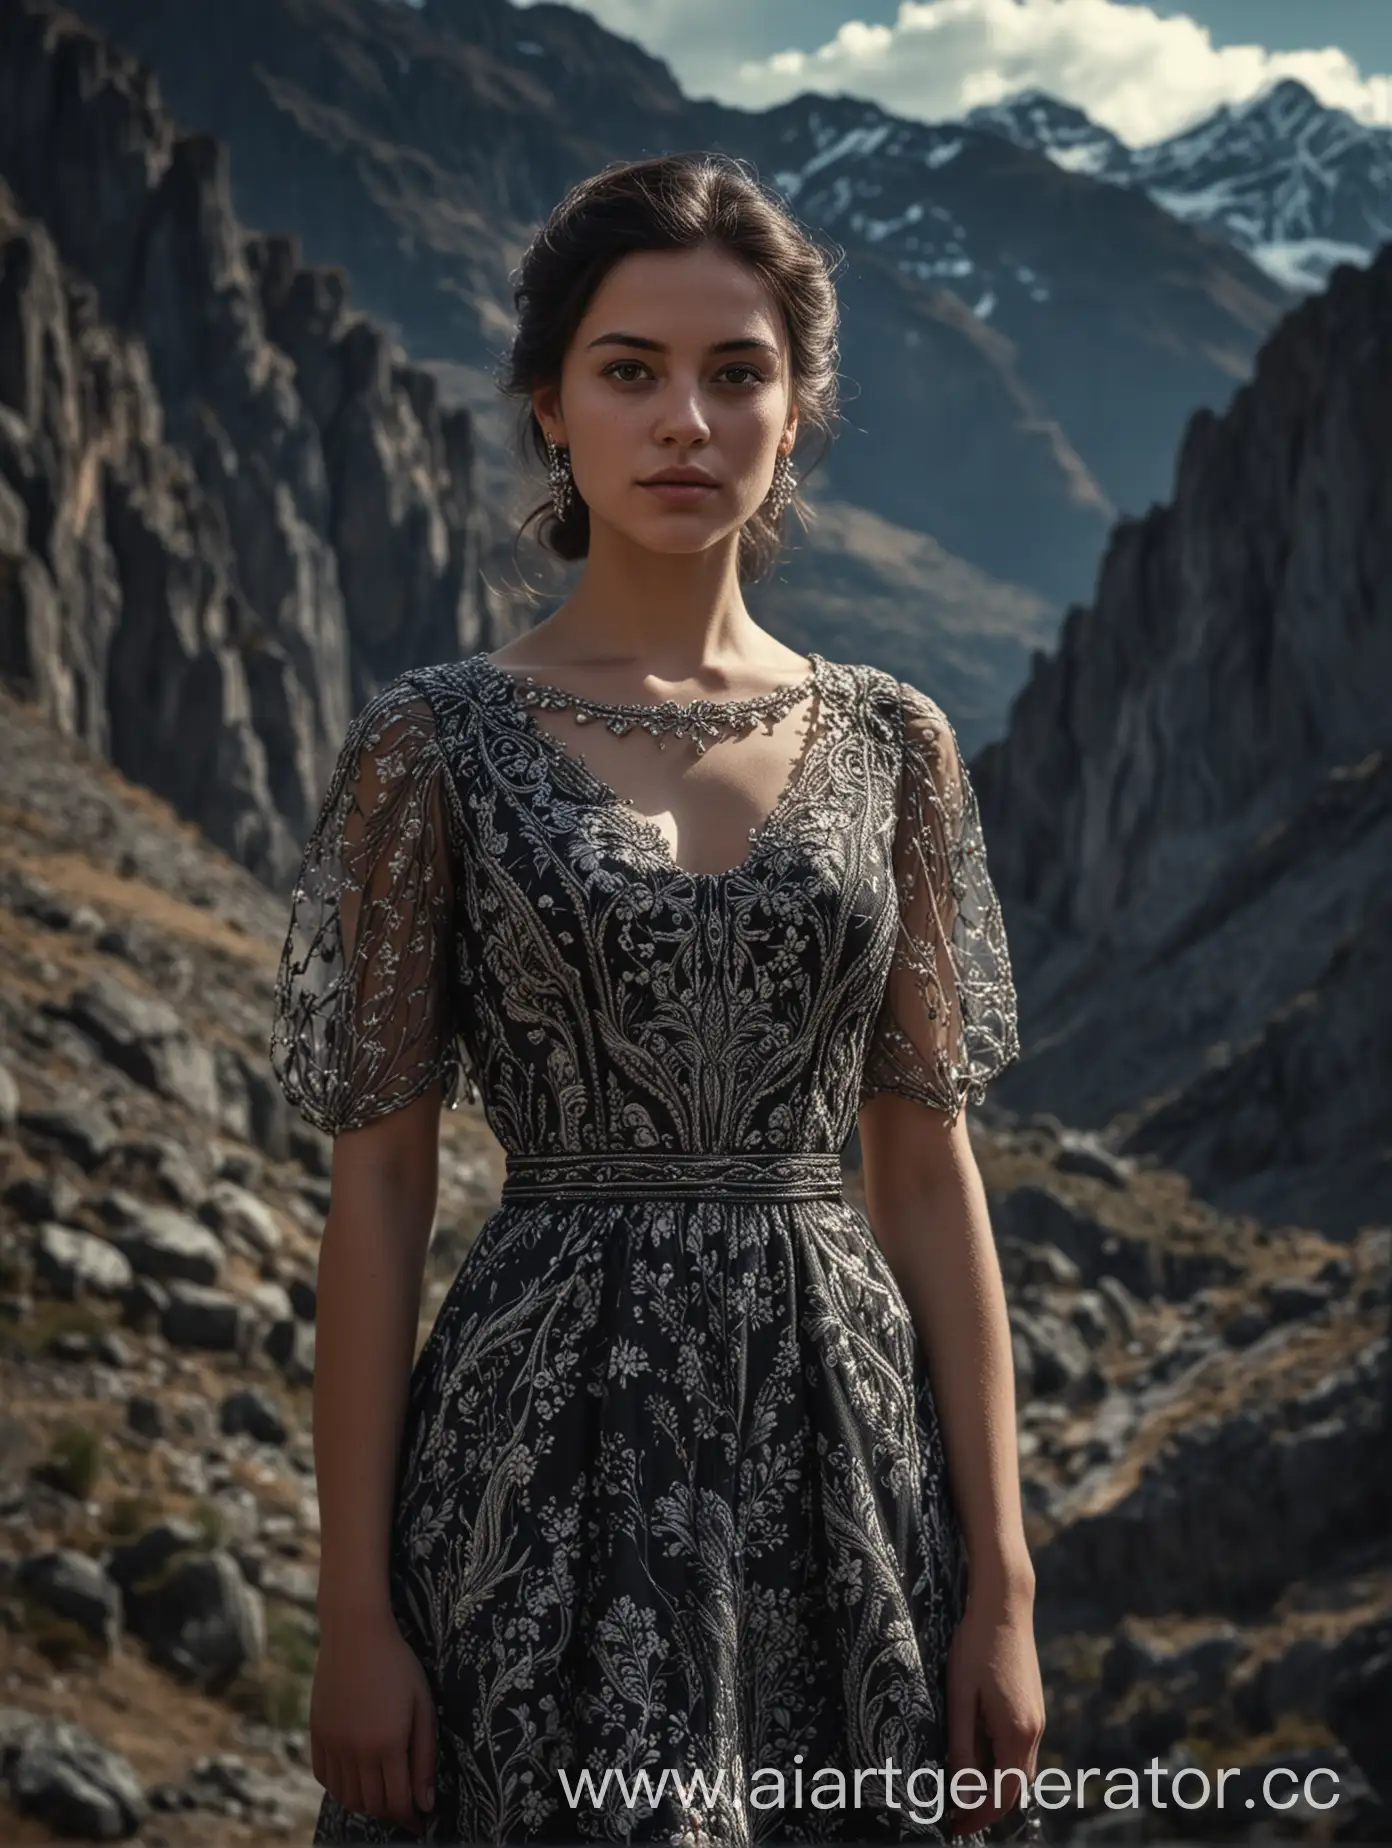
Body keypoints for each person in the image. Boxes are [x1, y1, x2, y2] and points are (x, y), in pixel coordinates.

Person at [270, 150, 1043, 1848]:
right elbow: (383, 1188)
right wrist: (353, 1617)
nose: (685, 418)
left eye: (736, 371)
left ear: (796, 405)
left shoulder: (896, 743)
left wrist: (1001, 1584)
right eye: (631, 371)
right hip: (535, 1454)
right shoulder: (434, 743)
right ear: (550, 406)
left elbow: (924, 1172)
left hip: (839, 1455)